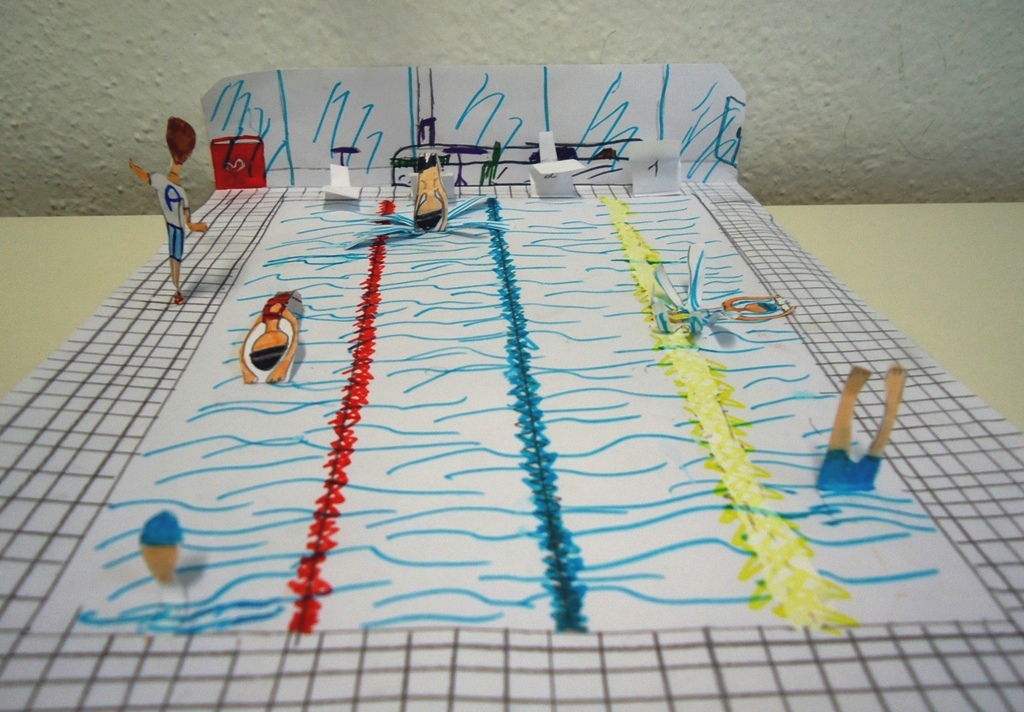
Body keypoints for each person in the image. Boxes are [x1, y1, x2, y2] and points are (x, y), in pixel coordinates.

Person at [130, 117, 208, 305]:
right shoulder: (173, 188)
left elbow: (143, 175)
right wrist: (192, 225)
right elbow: (186, 214)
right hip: (176, 228)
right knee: (176, 257)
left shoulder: (161, 181)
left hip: (175, 228)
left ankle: (177, 289)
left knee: (175, 257)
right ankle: (177, 290)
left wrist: (131, 165)